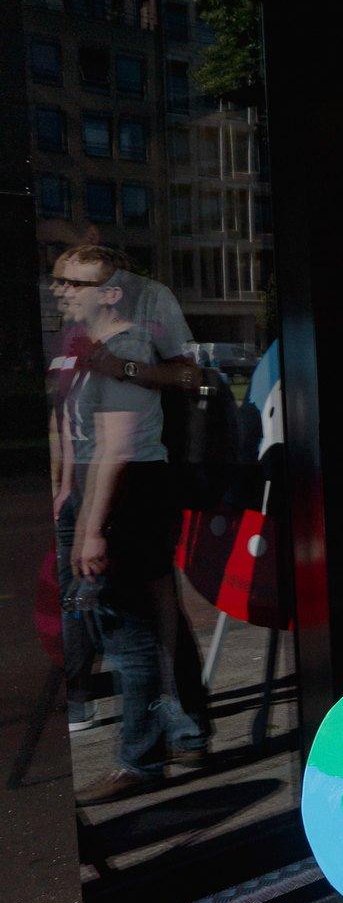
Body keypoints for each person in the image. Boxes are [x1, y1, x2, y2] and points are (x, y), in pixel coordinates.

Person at [51, 251, 205, 804]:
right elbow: (69, 424)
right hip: (94, 494)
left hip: (127, 493)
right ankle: (170, 734)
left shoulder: (128, 347)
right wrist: (64, 492)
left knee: (128, 631)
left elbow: (116, 445)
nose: (62, 290)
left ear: (111, 293)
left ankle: (145, 754)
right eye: (59, 281)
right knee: (116, 619)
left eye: (76, 283)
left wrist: (91, 527)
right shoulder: (80, 345)